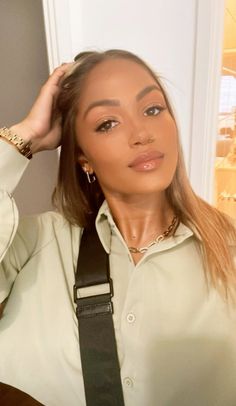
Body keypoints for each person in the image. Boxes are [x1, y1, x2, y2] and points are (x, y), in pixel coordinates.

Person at [0, 49, 236, 406]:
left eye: (153, 109)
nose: (142, 133)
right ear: (83, 157)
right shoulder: (34, 244)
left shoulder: (228, 250)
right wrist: (24, 138)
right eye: (107, 123)